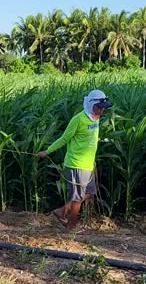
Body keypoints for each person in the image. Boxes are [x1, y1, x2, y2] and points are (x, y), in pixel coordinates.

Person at [37, 89, 112, 232]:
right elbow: (65, 138)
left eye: (103, 108)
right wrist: (47, 151)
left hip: (88, 164)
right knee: (77, 198)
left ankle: (62, 210)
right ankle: (71, 228)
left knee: (90, 193)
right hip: (76, 164)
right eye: (99, 108)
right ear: (91, 105)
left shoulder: (96, 118)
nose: (101, 111)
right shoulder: (78, 119)